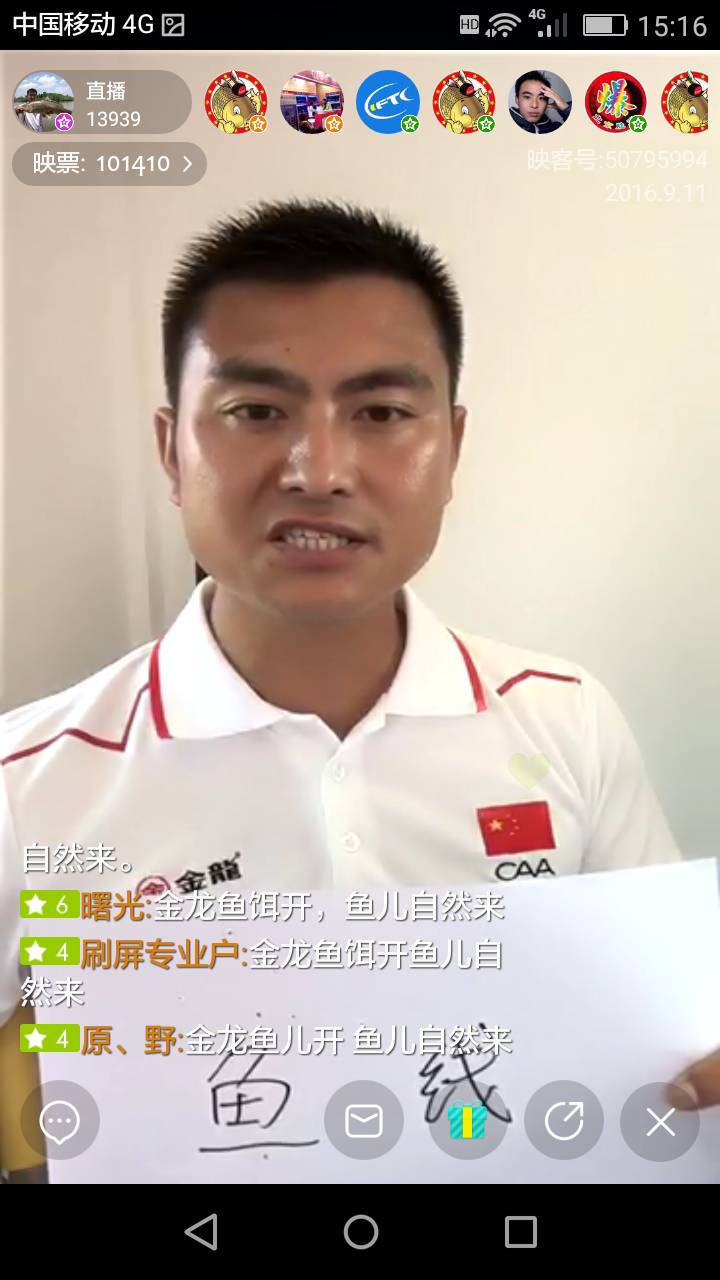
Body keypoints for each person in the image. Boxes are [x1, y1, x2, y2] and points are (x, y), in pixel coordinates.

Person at [0, 201, 717, 1112]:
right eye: (255, 411)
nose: (320, 470)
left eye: (381, 412)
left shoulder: (565, 719)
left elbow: (670, 1020)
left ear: (451, 449)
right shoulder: (25, 786)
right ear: (171, 451)